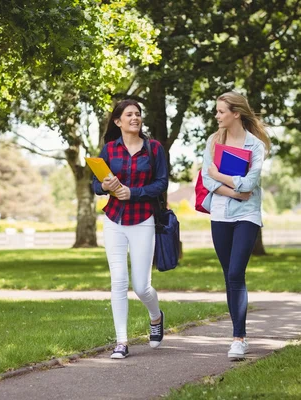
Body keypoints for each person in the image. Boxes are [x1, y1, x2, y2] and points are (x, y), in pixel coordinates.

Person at [92, 99, 168, 359]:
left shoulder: (154, 148)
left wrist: (132, 192)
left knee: (141, 286)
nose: (135, 118)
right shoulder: (109, 150)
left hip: (142, 219)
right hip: (113, 220)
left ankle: (156, 317)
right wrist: (105, 185)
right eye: (129, 114)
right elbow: (94, 183)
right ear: (118, 121)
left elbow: (161, 183)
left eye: (138, 114)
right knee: (118, 281)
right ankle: (121, 342)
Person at [199, 91, 271, 360]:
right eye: (216, 111)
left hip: (247, 216)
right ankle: (239, 333)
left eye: (220, 111)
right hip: (219, 214)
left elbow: (250, 184)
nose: (216, 116)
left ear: (236, 113)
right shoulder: (213, 141)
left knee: (235, 273)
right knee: (229, 274)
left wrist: (221, 177)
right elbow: (208, 180)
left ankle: (238, 338)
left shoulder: (255, 146)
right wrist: (234, 190)